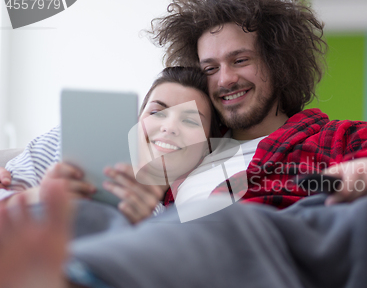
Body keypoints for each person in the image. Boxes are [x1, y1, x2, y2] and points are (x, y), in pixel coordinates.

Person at [0, 0, 367, 288]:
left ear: (277, 61)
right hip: (186, 268)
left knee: (232, 224)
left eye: (240, 60)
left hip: (286, 253)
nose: (224, 78)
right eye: (209, 69)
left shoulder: (336, 136)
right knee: (98, 215)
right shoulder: (189, 154)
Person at [0, 66, 221, 224]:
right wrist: (41, 197)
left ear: (207, 149)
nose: (169, 127)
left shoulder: (169, 221)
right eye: (156, 112)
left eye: (190, 120)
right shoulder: (67, 143)